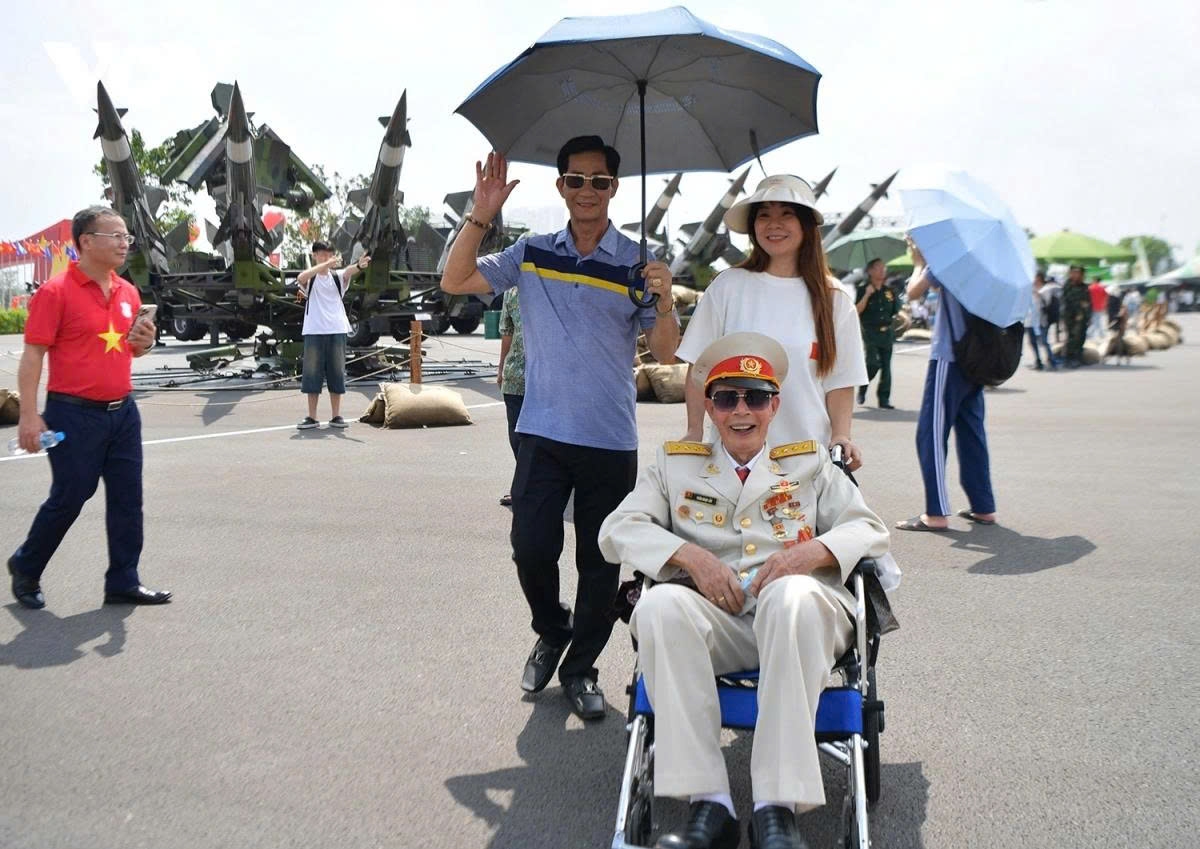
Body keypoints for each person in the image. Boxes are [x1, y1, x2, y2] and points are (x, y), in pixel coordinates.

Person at [599, 332, 889, 849]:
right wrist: (690, 557)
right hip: (720, 626)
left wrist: (808, 555)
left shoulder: (809, 464)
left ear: (774, 405)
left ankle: (777, 809)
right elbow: (618, 529)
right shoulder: (675, 464)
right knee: (660, 605)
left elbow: (867, 528)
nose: (741, 411)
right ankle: (710, 806)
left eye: (755, 397)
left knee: (790, 597)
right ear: (709, 407)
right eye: (726, 398)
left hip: (802, 622)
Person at [439, 136, 680, 719]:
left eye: (599, 181)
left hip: (609, 438)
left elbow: (667, 353)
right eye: (576, 179)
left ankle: (580, 669)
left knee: (600, 564)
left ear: (614, 188)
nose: (586, 190)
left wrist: (666, 298)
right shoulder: (532, 253)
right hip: (543, 432)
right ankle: (552, 630)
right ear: (561, 186)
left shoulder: (638, 262)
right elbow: (455, 280)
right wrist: (480, 215)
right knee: (530, 548)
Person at [7, 206, 170, 609]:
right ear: (86, 241)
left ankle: (123, 581)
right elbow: (33, 356)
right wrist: (29, 415)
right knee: (71, 494)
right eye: (115, 236)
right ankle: (26, 566)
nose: (124, 243)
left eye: (127, 236)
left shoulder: (128, 292)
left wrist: (145, 342)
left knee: (128, 498)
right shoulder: (55, 292)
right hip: (72, 413)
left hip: (123, 413)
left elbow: (132, 350)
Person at [676, 174, 867, 471]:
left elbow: (841, 381)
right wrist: (694, 430)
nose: (773, 224)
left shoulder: (834, 298)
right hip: (733, 464)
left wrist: (841, 436)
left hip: (808, 462)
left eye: (786, 214)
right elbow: (699, 367)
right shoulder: (727, 286)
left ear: (806, 225)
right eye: (764, 215)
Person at [895, 246, 997, 532]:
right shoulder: (988, 260)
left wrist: (919, 262)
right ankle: (983, 506)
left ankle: (936, 512)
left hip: (949, 356)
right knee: (972, 432)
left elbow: (913, 292)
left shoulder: (950, 255)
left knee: (931, 433)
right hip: (977, 358)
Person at [295, 241, 369, 429]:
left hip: (337, 329)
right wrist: (324, 265)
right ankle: (312, 417)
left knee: (336, 372)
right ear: (314, 256)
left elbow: (349, 271)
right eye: (321, 254)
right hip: (314, 330)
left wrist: (359, 266)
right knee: (312, 373)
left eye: (329, 254)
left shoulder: (336, 277)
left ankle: (336, 416)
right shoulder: (311, 278)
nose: (326, 257)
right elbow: (301, 277)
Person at [854, 257, 899, 408]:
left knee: (886, 367)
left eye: (883, 267)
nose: (882, 270)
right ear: (870, 271)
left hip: (887, 333)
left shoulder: (889, 291)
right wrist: (867, 295)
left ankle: (884, 399)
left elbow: (894, 311)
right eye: (878, 267)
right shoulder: (862, 289)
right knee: (872, 363)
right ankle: (863, 387)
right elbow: (856, 311)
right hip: (870, 332)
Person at [496, 286, 525, 506]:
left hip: (546, 379)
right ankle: (522, 487)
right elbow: (507, 332)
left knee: (539, 439)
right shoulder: (511, 292)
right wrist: (501, 367)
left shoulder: (550, 286)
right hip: (515, 375)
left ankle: (527, 487)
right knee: (517, 437)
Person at [1026, 271, 1058, 370]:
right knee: (1032, 342)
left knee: (1044, 341)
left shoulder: (1046, 289)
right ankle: (1038, 361)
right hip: (1030, 320)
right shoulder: (1030, 289)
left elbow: (1047, 303)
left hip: (1041, 321)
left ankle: (1052, 361)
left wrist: (1039, 295)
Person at [1061, 265, 1091, 368]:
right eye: (1075, 273)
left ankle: (1078, 357)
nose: (1077, 275)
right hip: (1071, 316)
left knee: (1081, 337)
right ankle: (1069, 358)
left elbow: (1087, 302)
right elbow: (1068, 300)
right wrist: (1080, 306)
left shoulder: (1084, 286)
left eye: (1080, 273)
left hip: (1082, 317)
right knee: (1072, 337)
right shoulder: (1068, 286)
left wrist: (1087, 315)